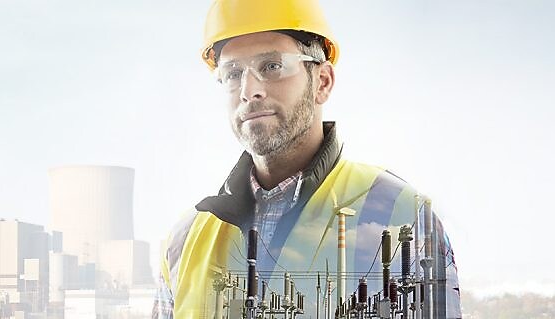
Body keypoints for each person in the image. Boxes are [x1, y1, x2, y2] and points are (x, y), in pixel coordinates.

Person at [152, 0, 462, 317]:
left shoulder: (403, 215)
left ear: (322, 82)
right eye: (232, 73)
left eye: (272, 66)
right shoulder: (186, 240)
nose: (249, 90)